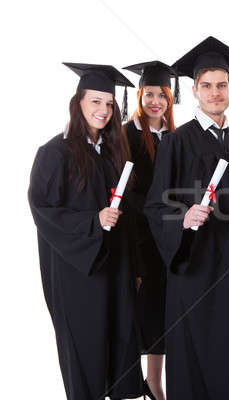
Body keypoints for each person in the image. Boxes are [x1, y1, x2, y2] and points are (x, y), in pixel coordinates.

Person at [143, 36, 229, 400]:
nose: (214, 93)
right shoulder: (177, 143)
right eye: (206, 86)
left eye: (221, 85)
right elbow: (156, 206)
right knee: (196, 361)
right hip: (195, 270)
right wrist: (183, 216)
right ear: (194, 91)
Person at [28, 63, 143, 399]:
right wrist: (94, 221)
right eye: (95, 102)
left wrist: (134, 267)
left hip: (116, 267)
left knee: (121, 343)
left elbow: (129, 217)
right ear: (77, 103)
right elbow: (43, 211)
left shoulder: (112, 152)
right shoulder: (55, 152)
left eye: (109, 104)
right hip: (78, 272)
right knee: (86, 349)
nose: (104, 110)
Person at [122, 60, 178, 400]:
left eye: (163, 95)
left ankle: (154, 381)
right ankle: (132, 382)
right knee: (138, 309)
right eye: (149, 94)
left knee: (163, 311)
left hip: (168, 238)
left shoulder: (175, 136)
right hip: (138, 236)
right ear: (139, 95)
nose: (156, 101)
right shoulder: (125, 136)